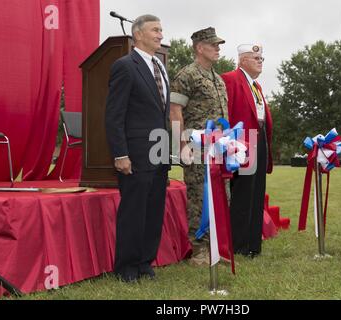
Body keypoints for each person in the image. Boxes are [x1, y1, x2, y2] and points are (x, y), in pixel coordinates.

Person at [105, 14, 170, 282]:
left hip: (160, 151)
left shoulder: (161, 66)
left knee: (154, 209)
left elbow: (162, 112)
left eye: (161, 29)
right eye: (155, 29)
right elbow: (114, 115)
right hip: (135, 153)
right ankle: (127, 267)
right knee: (134, 210)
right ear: (138, 34)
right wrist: (120, 154)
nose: (160, 34)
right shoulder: (125, 65)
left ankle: (145, 262)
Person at [170, 27, 228, 263]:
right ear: (199, 48)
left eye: (218, 45)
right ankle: (199, 250)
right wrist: (181, 145)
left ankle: (215, 247)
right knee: (199, 198)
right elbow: (174, 112)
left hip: (219, 150)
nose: (217, 48)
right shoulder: (187, 75)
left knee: (219, 197)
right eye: (213, 45)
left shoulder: (218, 78)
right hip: (196, 148)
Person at [221, 44, 273, 258]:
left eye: (262, 58)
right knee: (242, 194)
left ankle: (253, 244)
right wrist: (229, 142)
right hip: (242, 142)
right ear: (242, 60)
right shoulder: (230, 79)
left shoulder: (257, 86)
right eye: (255, 58)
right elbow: (226, 112)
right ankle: (238, 245)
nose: (260, 61)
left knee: (256, 192)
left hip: (259, 140)